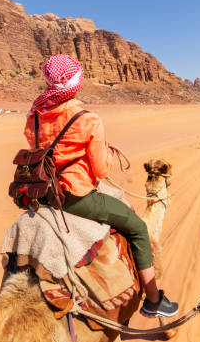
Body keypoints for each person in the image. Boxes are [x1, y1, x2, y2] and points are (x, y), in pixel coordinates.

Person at [24, 54, 178, 318]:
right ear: (76, 83)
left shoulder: (34, 116)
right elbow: (102, 170)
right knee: (139, 228)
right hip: (76, 195)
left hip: (46, 194)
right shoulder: (87, 119)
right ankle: (153, 301)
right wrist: (104, 150)